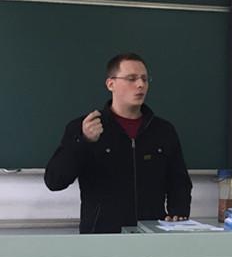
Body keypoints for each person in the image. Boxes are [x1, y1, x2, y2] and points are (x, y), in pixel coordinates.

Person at [45, 52, 192, 233]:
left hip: (151, 234)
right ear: (111, 84)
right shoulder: (85, 127)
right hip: (102, 237)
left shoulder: (163, 130)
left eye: (144, 79)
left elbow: (179, 181)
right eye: (131, 79)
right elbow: (55, 181)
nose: (140, 85)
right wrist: (83, 141)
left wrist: (178, 214)